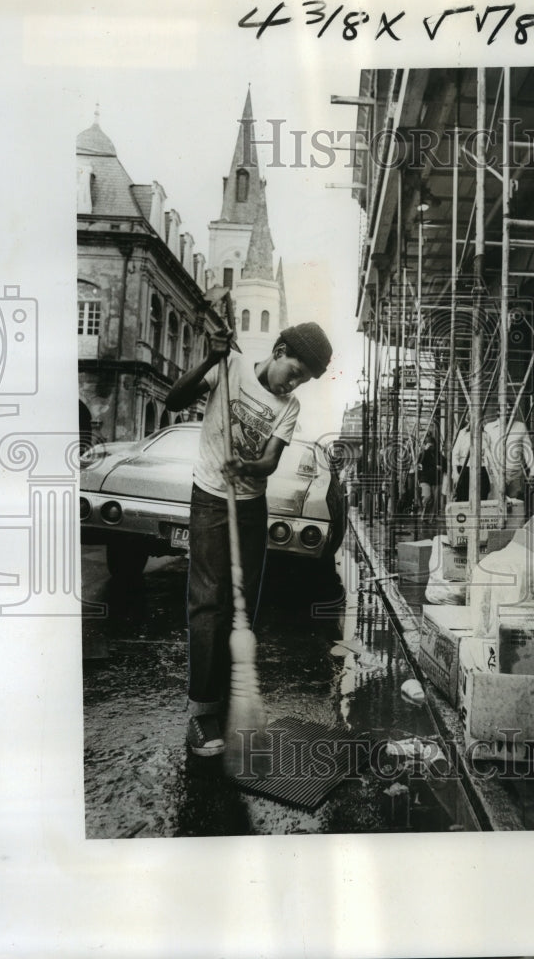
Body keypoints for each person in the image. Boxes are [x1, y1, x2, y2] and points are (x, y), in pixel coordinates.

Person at [166, 321, 333, 756]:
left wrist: (248, 467)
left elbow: (269, 461)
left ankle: (225, 698)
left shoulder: (288, 406)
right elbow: (172, 400)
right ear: (278, 350)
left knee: (242, 606)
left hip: (250, 505)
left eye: (303, 380)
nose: (294, 383)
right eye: (294, 371)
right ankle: (202, 714)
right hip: (210, 497)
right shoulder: (230, 366)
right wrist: (209, 356)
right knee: (209, 600)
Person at [481, 408, 534, 500]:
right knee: (497, 504)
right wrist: (489, 473)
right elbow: (486, 452)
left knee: (516, 505)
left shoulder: (520, 426)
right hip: (496, 473)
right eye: (505, 409)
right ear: (498, 411)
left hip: (516, 474)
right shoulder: (489, 428)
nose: (508, 412)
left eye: (510, 409)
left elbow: (527, 450)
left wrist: (533, 470)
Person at [450, 423, 491, 502]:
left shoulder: (485, 434)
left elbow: (488, 454)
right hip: (465, 468)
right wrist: (455, 472)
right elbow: (455, 453)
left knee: (483, 495)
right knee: (464, 498)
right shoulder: (463, 433)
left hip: (481, 468)